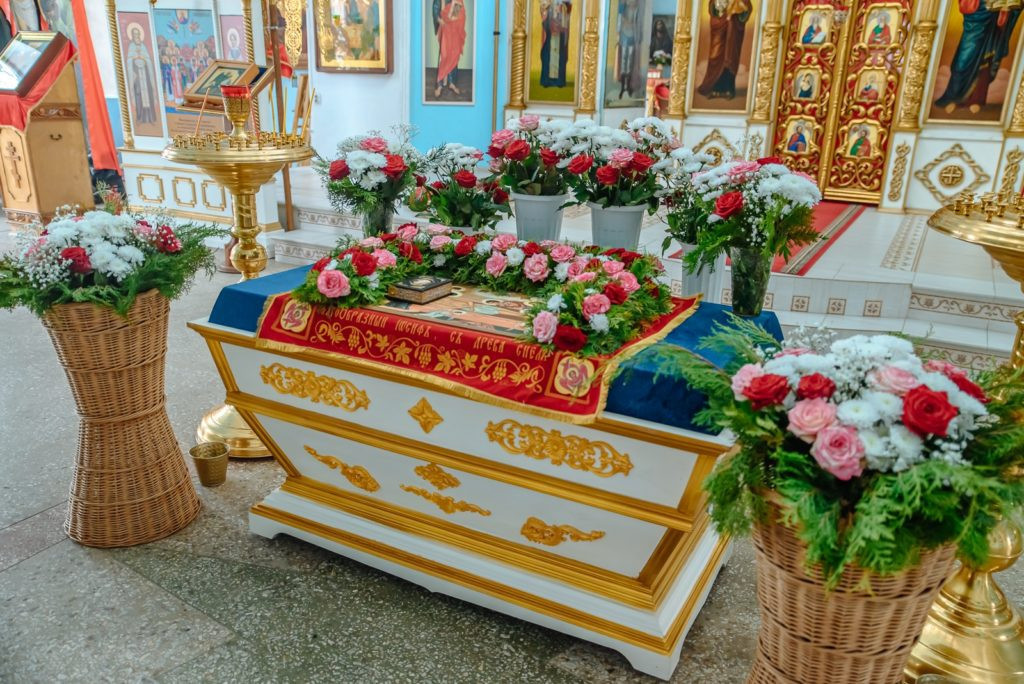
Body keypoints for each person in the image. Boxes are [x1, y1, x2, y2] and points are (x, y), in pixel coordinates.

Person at [934, 0, 1021, 115]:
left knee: (987, 56)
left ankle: (976, 100)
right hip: (976, 11)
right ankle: (954, 97)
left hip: (995, 11)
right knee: (963, 60)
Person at [696, 0, 752, 100]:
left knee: (730, 57)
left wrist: (740, 9)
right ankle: (714, 89)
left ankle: (728, 90)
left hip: (734, 28)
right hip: (720, 27)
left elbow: (746, 8)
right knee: (716, 55)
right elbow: (712, 7)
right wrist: (718, 6)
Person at [126, 25, 159, 126]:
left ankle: (150, 118)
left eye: (137, 34)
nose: (136, 35)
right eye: (134, 34)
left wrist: (144, 58)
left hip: (145, 74)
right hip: (136, 74)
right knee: (139, 95)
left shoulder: (143, 46)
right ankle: (140, 118)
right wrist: (135, 57)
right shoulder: (131, 46)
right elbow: (128, 60)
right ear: (132, 35)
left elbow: (148, 59)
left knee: (148, 94)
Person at [433, 0, 467, 98]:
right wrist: (440, 20)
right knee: (444, 56)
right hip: (446, 30)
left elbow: (455, 16)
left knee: (454, 56)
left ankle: (452, 83)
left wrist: (448, 14)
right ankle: (439, 84)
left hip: (454, 31)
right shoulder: (438, 1)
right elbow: (436, 13)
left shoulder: (458, 1)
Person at [539, 0, 572, 88]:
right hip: (549, 25)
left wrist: (562, 7)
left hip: (561, 25)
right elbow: (542, 5)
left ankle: (559, 81)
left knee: (560, 53)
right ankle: (546, 81)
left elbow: (568, 6)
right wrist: (546, 6)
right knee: (547, 52)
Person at [616, 0, 643, 99]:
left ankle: (628, 87)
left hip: (632, 35)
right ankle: (623, 87)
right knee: (623, 61)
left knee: (630, 62)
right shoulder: (623, 8)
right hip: (624, 35)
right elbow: (620, 20)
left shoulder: (636, 10)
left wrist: (638, 37)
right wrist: (618, 34)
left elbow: (638, 24)